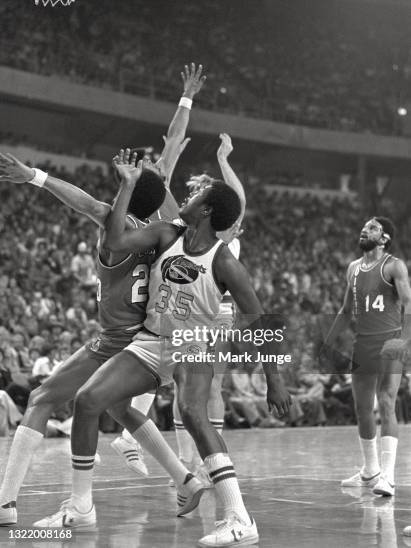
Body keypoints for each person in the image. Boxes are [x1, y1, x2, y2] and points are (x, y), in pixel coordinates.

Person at [36, 149, 291, 547]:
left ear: (206, 211)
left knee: (192, 411)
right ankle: (80, 507)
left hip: (193, 342)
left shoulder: (224, 262)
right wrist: (127, 185)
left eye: (196, 196)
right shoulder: (166, 233)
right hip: (152, 340)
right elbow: (117, 237)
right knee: (87, 401)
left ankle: (240, 518)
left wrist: (274, 382)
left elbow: (262, 323)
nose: (184, 199)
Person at [0, 62, 206, 526]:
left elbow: (84, 200)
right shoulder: (164, 227)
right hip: (152, 335)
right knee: (116, 408)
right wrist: (185, 100)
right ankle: (186, 480)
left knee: (43, 398)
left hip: (120, 337)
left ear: (129, 194)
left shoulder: (121, 228)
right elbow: (170, 148)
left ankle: (10, 504)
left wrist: (33, 175)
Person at [171, 132, 246, 486]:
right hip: (186, 310)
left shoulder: (224, 230)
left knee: (212, 385)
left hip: (218, 312)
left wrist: (223, 160)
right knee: (180, 385)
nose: (193, 195)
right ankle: (185, 462)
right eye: (193, 191)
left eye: (201, 191)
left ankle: (207, 463)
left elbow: (239, 201)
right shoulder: (184, 228)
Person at [323, 217, 411, 497]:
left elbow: (409, 305)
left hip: (389, 341)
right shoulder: (353, 268)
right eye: (363, 226)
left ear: (384, 238)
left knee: (386, 401)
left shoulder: (394, 265)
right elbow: (346, 310)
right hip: (362, 343)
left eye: (372, 228)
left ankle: (388, 477)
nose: (365, 230)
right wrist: (328, 342)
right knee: (362, 408)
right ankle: (370, 471)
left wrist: (402, 341)